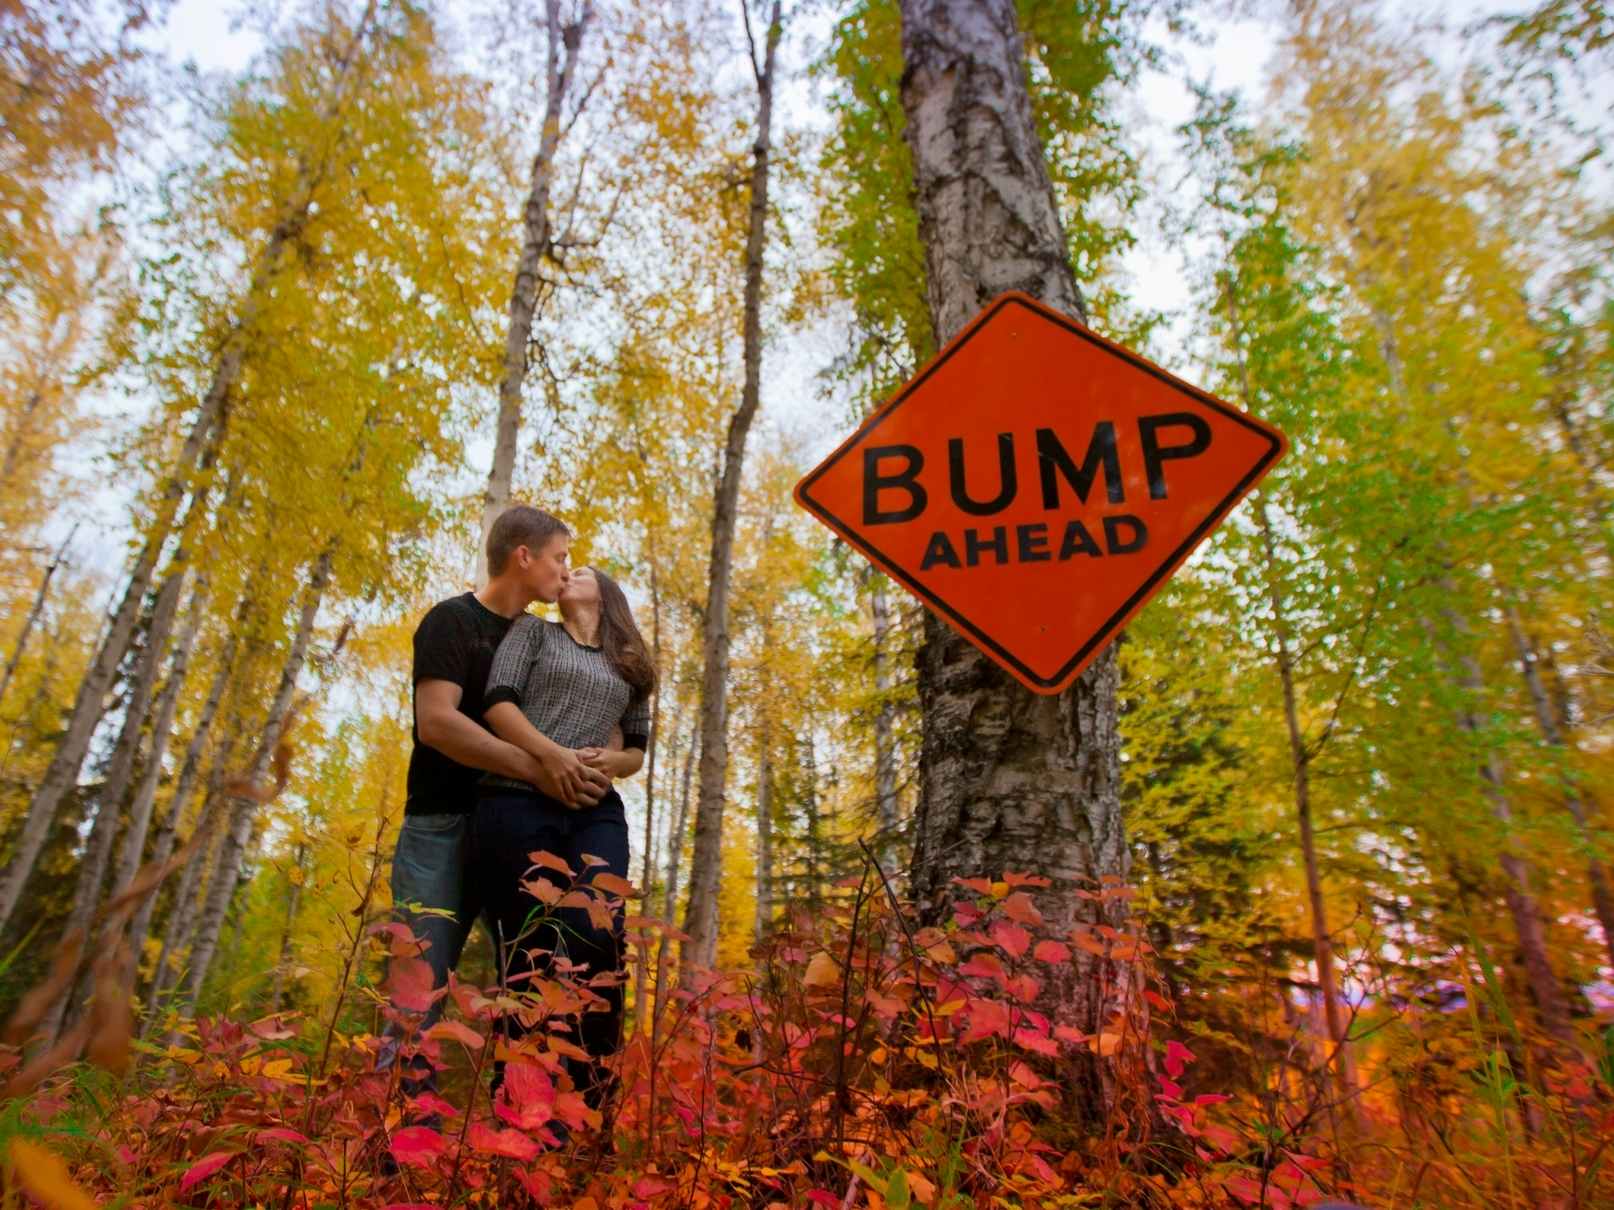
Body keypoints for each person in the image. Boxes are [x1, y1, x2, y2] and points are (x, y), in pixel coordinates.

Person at [383, 505, 611, 1090]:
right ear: (523, 556)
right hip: (442, 827)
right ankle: (395, 1155)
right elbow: (436, 723)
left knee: (535, 986)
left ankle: (524, 1138)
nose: (565, 572)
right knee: (417, 995)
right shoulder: (452, 622)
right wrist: (538, 767)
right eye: (559, 557)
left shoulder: (543, 639)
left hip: (518, 833)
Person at [474, 563, 655, 1116]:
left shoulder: (629, 661)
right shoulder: (532, 632)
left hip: (594, 807)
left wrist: (609, 759)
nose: (566, 574)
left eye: (578, 570)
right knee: (530, 944)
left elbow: (636, 751)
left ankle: (592, 1100)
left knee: (598, 935)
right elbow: (497, 705)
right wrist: (549, 755)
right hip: (517, 795)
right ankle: (520, 1106)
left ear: (605, 593)